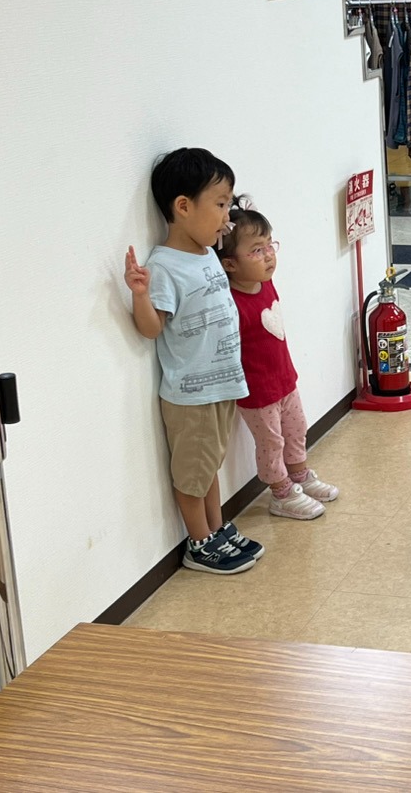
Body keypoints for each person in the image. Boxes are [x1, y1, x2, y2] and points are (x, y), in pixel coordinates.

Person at [124, 148, 263, 575]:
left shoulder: (204, 255)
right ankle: (199, 543)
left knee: (210, 464)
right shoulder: (165, 266)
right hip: (192, 394)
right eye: (221, 204)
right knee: (192, 473)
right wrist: (141, 294)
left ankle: (217, 529)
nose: (227, 217)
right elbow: (151, 329)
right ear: (183, 207)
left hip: (221, 384)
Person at [215, 199, 339, 521]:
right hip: (257, 392)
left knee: (297, 431)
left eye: (269, 244)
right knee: (271, 442)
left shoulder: (266, 283)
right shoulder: (231, 302)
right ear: (229, 264)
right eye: (256, 250)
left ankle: (300, 476)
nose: (268, 254)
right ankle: (281, 494)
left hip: (285, 378)